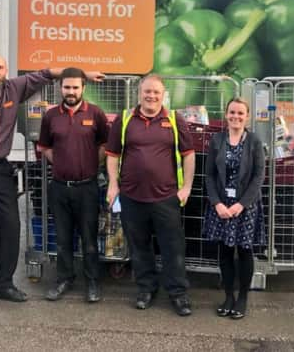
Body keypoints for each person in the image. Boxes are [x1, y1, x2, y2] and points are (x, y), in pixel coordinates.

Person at [0, 54, 104, 303]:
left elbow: (47, 73)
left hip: (2, 169)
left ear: (6, 71)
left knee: (11, 228)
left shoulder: (14, 88)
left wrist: (84, 73)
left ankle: (4, 284)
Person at [105, 74, 195, 316]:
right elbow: (112, 155)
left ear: (163, 95)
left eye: (156, 92)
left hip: (166, 198)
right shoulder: (124, 120)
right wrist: (113, 185)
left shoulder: (175, 120)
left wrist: (186, 187)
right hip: (132, 197)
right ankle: (146, 289)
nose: (151, 96)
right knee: (139, 247)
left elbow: (188, 154)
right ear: (139, 93)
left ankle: (178, 293)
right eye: (147, 91)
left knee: (172, 248)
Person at [37, 68, 109, 303]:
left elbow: (104, 147)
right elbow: (45, 147)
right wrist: (61, 163)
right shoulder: (50, 116)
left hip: (87, 187)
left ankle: (92, 282)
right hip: (59, 187)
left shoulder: (96, 114)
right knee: (62, 239)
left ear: (83, 88)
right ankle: (63, 279)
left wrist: (89, 165)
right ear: (60, 88)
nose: (71, 92)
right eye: (67, 87)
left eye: (75, 87)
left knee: (89, 239)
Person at [204, 98, 265, 320]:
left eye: (240, 113)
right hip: (220, 205)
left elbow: (259, 177)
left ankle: (243, 298)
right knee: (226, 252)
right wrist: (217, 203)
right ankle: (228, 296)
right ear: (226, 114)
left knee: (245, 252)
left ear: (246, 116)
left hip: (245, 207)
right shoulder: (217, 140)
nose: (235, 117)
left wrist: (241, 204)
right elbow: (209, 175)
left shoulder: (254, 142)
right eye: (232, 112)